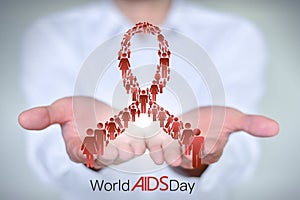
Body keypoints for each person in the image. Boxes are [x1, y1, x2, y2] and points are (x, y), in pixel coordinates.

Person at [18, 0, 279, 200]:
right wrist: (90, 160)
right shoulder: (53, 34)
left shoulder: (235, 34)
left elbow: (238, 150)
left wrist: (196, 164)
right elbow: (50, 153)